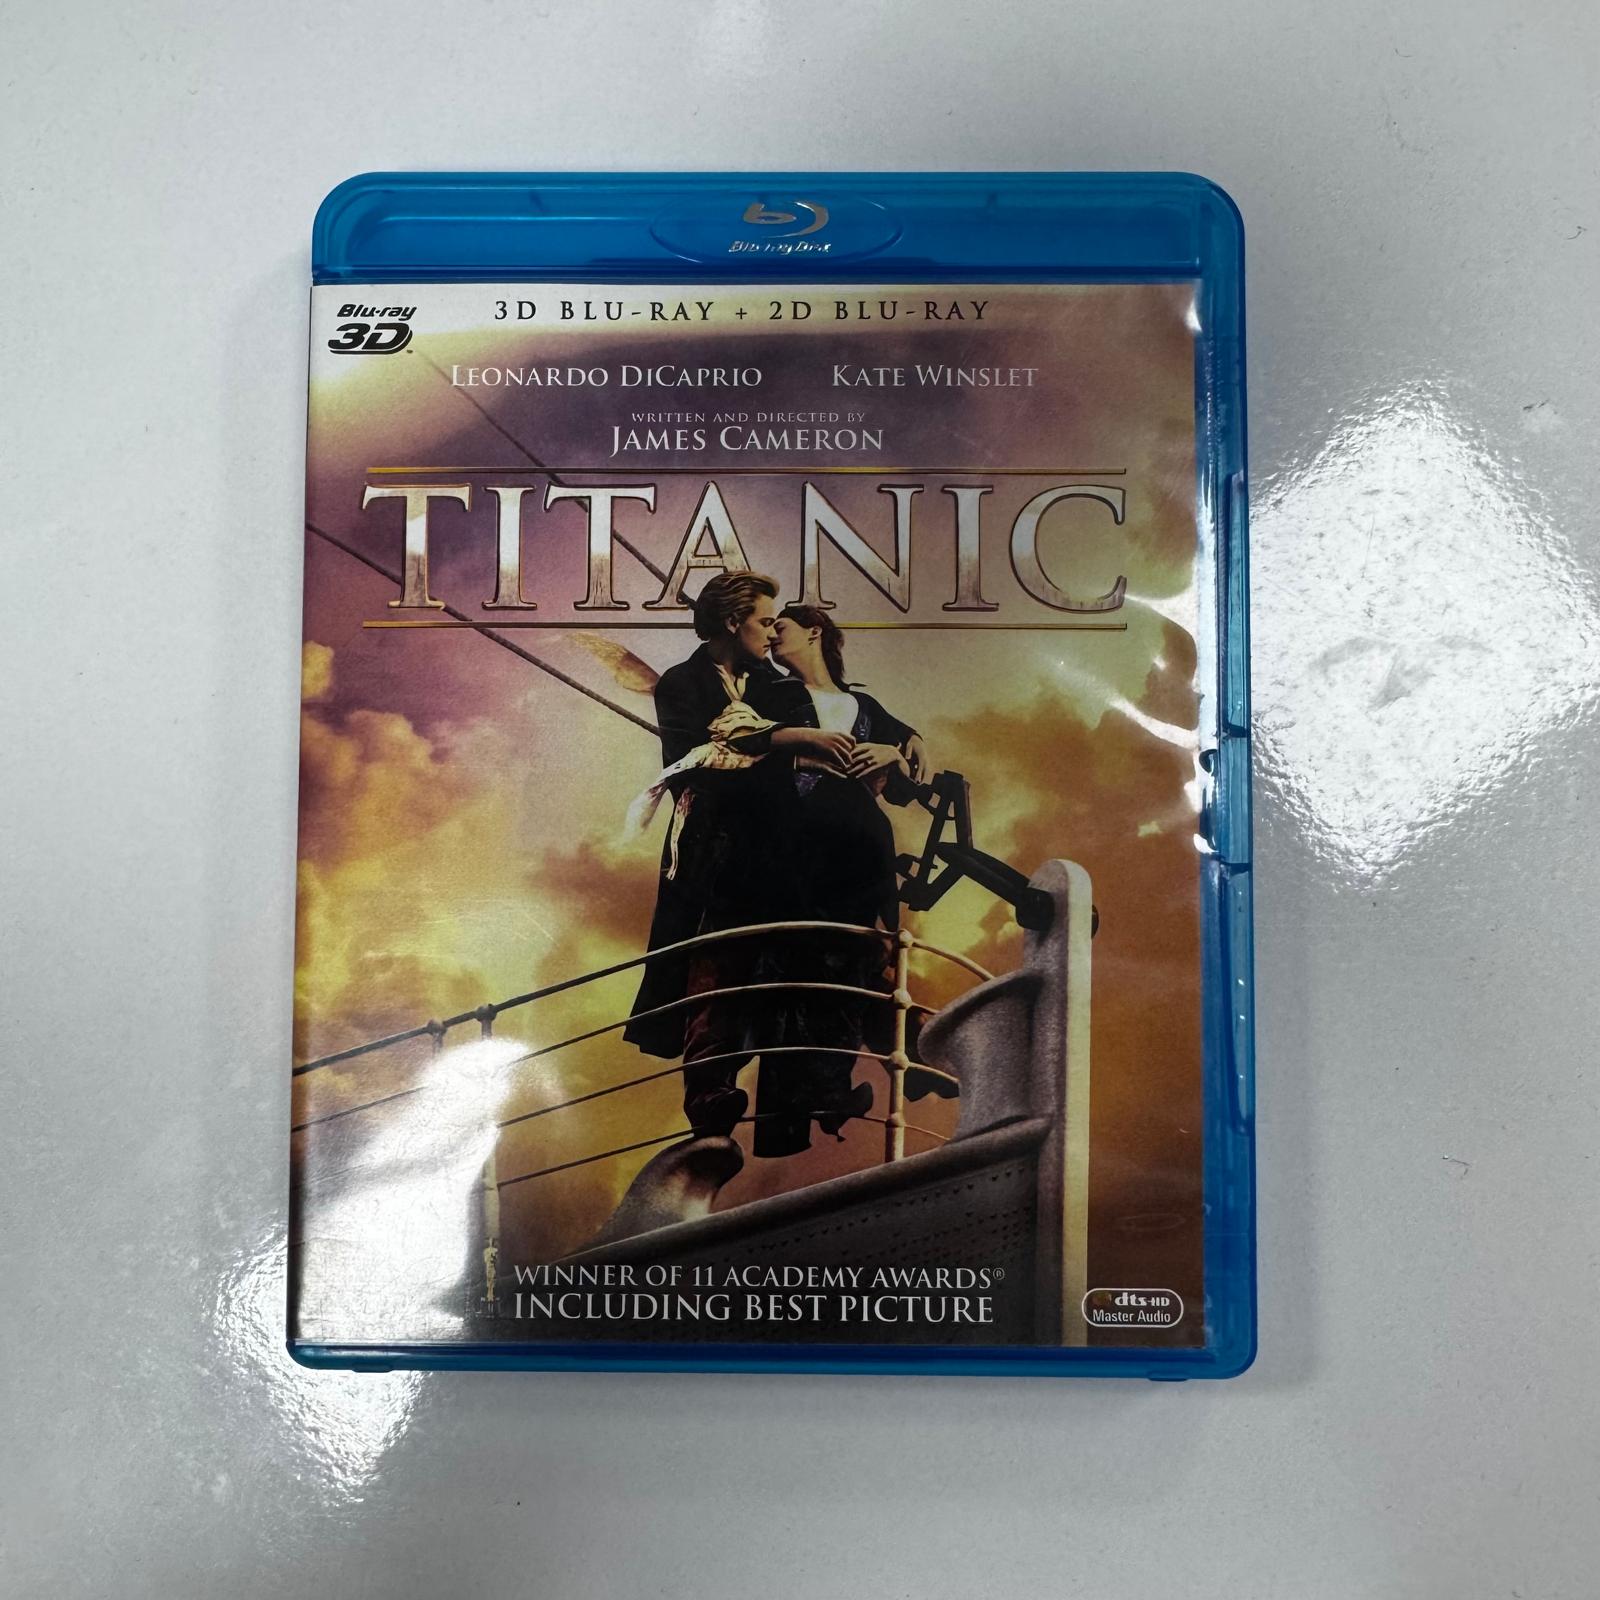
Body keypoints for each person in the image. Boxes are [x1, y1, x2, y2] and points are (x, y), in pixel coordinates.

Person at [623, 573, 852, 1141]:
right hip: (713, 855)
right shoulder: (682, 684)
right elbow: (691, 765)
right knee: (715, 971)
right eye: (765, 621)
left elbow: (828, 731)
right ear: (733, 622)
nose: (774, 633)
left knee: (796, 964)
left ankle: (814, 1095)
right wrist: (785, 746)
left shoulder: (779, 685)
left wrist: (898, 740)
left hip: (778, 852)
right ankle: (710, 1105)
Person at [740, 603, 928, 1156]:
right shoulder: (769, 694)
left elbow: (909, 780)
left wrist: (897, 749)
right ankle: (824, 1096)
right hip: (802, 849)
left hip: (863, 851)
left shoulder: (864, 707)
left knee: (859, 957)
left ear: (814, 632)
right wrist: (803, 756)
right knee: (802, 965)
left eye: (781, 627)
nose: (772, 636)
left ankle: (853, 1082)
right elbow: (740, 747)